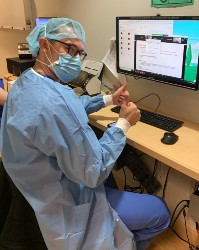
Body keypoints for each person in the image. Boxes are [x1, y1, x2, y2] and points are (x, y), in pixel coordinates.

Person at [0, 18, 170, 250]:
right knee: (159, 211)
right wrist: (123, 124)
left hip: (33, 190)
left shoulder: (27, 82)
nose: (75, 58)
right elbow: (94, 171)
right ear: (44, 44)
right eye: (70, 48)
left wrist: (110, 99)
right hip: (66, 202)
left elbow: (70, 104)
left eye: (80, 52)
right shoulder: (54, 104)